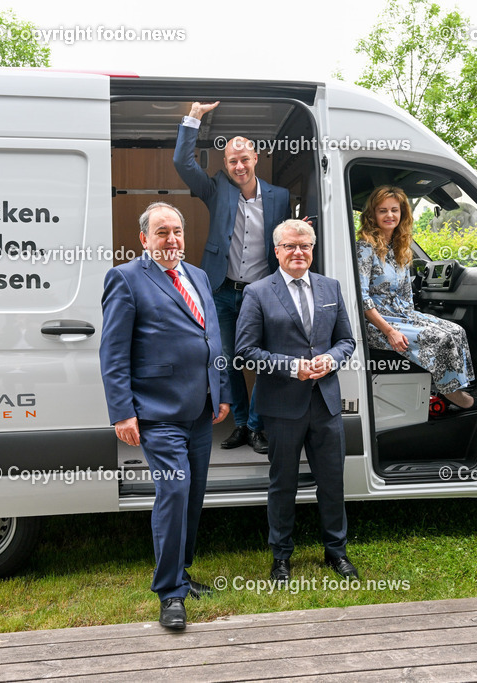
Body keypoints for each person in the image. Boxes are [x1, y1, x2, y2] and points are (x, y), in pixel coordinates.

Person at [99, 202, 231, 630]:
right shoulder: (125, 279)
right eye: (161, 233)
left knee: (192, 496)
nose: (171, 240)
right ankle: (170, 593)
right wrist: (122, 412)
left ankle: (183, 572)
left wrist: (223, 389)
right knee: (174, 493)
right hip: (157, 413)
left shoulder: (199, 276)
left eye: (176, 231)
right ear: (144, 239)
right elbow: (113, 353)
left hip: (200, 410)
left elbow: (212, 335)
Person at [236, 219, 358, 584]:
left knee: (332, 483)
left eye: (304, 246)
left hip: (326, 404)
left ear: (312, 249)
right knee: (283, 484)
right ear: (276, 251)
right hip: (282, 407)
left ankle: (336, 552)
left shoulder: (330, 287)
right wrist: (292, 367)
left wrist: (332, 359)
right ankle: (281, 558)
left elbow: (347, 341)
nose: (298, 252)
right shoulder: (257, 293)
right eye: (290, 246)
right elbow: (244, 352)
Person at [174, 101, 291, 455]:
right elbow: (183, 162)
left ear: (255, 158)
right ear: (225, 166)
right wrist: (193, 117)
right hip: (222, 290)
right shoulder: (216, 190)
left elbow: (284, 242)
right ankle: (241, 423)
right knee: (227, 360)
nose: (238, 166)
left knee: (262, 361)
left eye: (244, 159)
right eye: (231, 161)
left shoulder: (280, 197)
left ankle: (256, 426)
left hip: (260, 293)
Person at [356, 186, 477, 411]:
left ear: (402, 213)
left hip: (401, 315)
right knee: (439, 339)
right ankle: (456, 397)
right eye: (382, 210)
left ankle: (452, 387)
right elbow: (361, 297)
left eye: (394, 210)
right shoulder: (365, 248)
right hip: (375, 323)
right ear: (372, 215)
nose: (389, 216)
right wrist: (390, 331)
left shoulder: (400, 248)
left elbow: (406, 296)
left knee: (456, 331)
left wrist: (418, 318)